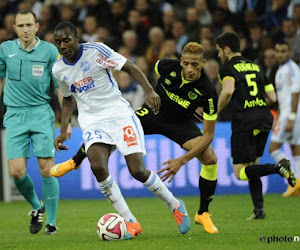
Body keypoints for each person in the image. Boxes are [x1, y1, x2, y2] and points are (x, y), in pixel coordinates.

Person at [52, 41, 220, 234]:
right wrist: (151, 91)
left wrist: (181, 161)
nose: (190, 69)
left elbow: (208, 135)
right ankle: (74, 161)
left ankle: (203, 213)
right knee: (110, 131)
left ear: (203, 63)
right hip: (153, 112)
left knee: (210, 158)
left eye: (195, 65)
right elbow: (142, 70)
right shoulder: (165, 66)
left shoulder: (208, 91)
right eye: (186, 64)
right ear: (181, 61)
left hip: (181, 124)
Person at [215, 31, 296, 220]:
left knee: (239, 172)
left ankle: (278, 168)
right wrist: (258, 108)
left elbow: (227, 91)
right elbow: (273, 97)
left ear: (227, 50)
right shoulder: (256, 66)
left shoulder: (227, 68)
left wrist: (216, 113)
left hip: (244, 121)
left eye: (219, 51)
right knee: (252, 166)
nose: (219, 55)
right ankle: (258, 211)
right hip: (264, 118)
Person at [0, 10, 61, 234]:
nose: (25, 29)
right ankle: (37, 206)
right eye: (20, 25)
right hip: (14, 114)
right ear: (14, 29)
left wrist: (65, 121)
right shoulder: (5, 50)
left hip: (41, 113)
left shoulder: (49, 51)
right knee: (16, 172)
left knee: (47, 169)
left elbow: (60, 88)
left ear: (37, 26)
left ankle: (52, 223)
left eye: (29, 25)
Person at [269, 40, 300, 197]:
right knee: (296, 149)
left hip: (292, 114)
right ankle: (298, 184)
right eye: (278, 51)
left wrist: (292, 118)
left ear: (289, 53)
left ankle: (294, 179)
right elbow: (284, 97)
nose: (280, 54)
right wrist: (279, 115)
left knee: (273, 148)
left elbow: (296, 94)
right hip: (286, 113)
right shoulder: (281, 69)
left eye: (283, 51)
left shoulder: (292, 69)